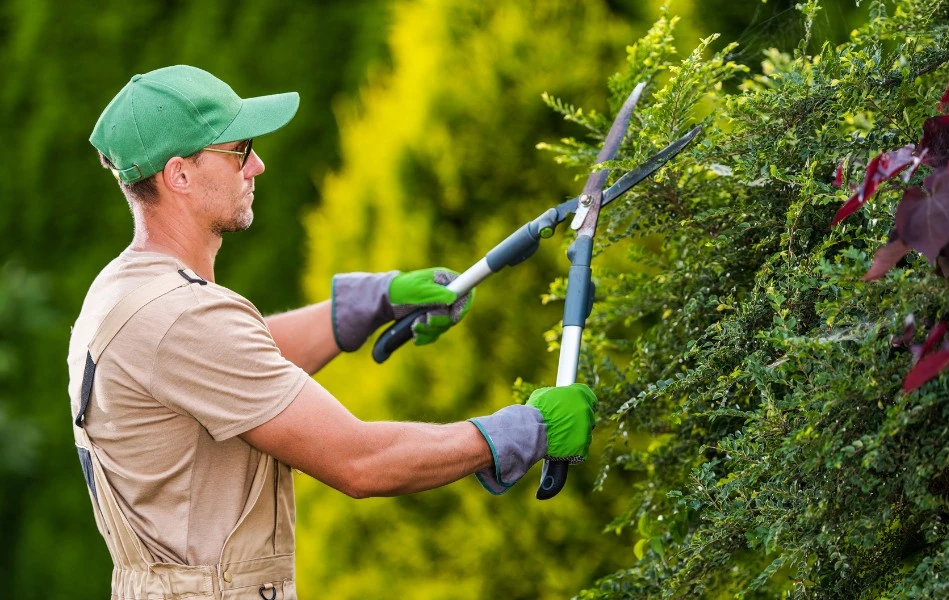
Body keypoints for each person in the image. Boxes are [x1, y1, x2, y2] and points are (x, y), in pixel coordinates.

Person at [68, 65, 597, 599]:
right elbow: (361, 461)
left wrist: (372, 302)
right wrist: (525, 431)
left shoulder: (126, 291)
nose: (258, 165)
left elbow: (238, 365)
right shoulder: (183, 319)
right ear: (179, 174)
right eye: (239, 150)